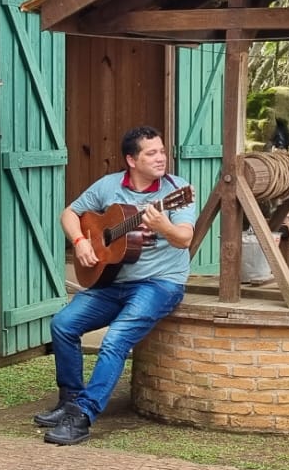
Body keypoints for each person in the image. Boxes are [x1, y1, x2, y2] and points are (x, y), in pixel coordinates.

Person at [36, 126, 198, 446]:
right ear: (131, 160)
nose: (161, 158)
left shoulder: (178, 190)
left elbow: (185, 238)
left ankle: (82, 415)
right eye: (151, 153)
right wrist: (81, 241)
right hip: (112, 282)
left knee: (115, 340)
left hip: (159, 284)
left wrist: (163, 225)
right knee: (63, 325)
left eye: (162, 151)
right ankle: (69, 399)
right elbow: (69, 213)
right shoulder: (110, 186)